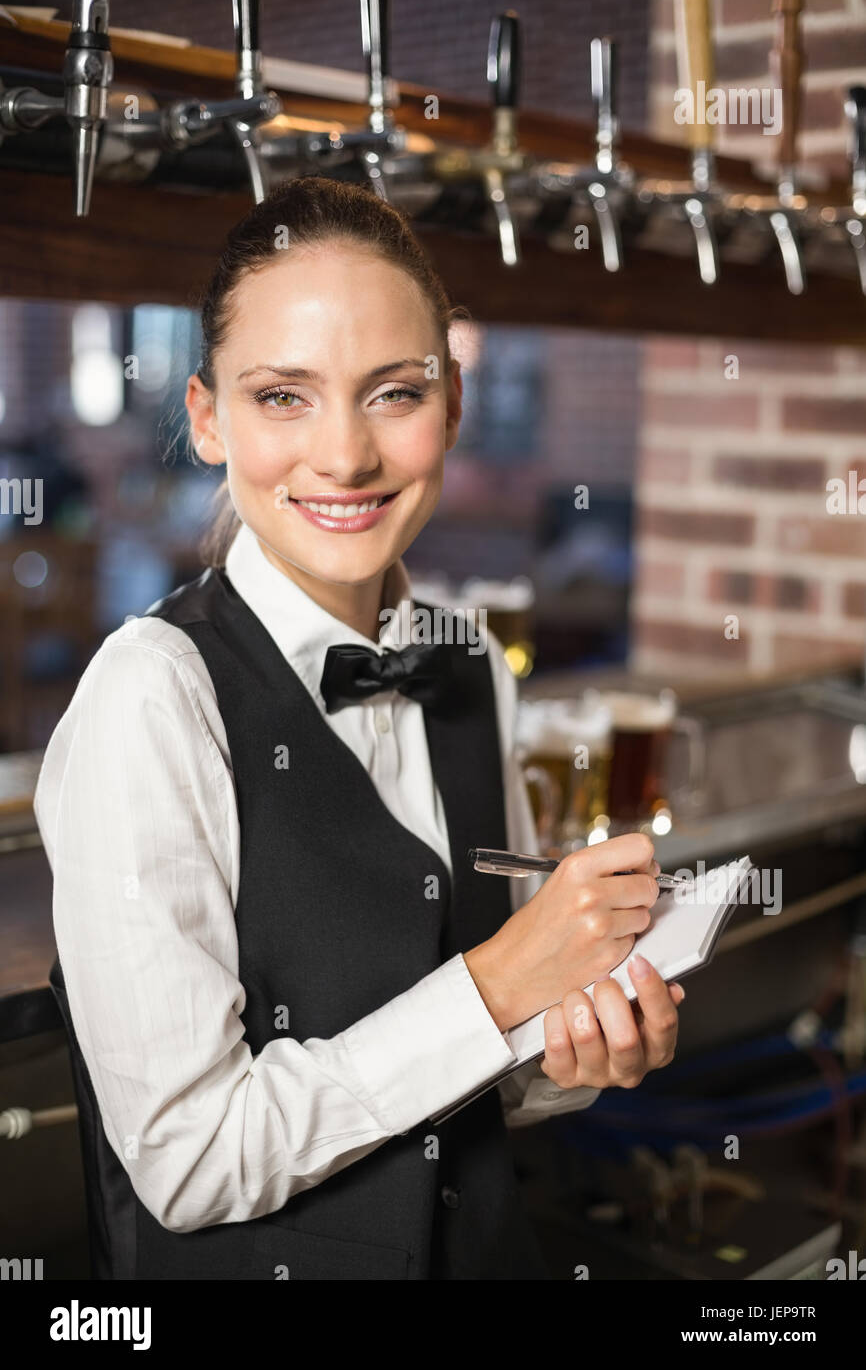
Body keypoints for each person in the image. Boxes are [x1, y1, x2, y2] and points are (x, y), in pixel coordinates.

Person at [34, 176, 683, 1282]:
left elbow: (484, 1067)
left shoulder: (470, 659)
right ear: (205, 419)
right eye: (282, 396)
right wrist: (495, 986)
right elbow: (188, 1161)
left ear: (452, 407)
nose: (343, 456)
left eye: (392, 393)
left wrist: (574, 1048)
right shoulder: (149, 697)